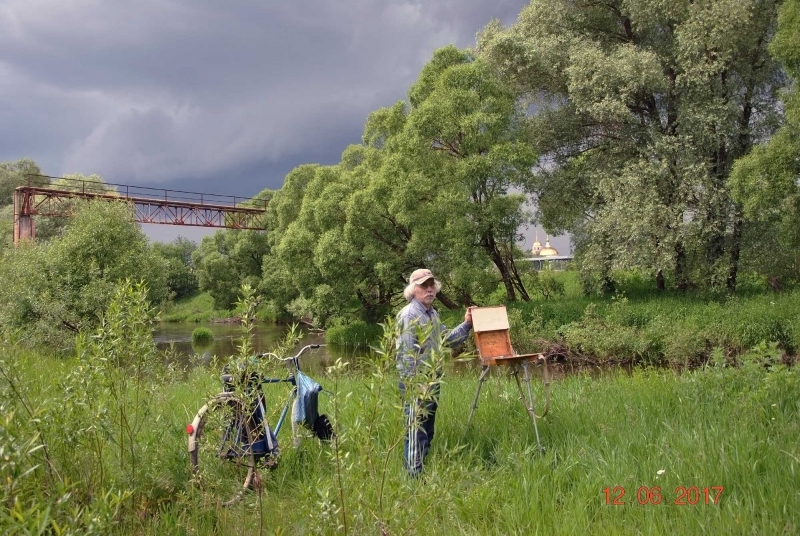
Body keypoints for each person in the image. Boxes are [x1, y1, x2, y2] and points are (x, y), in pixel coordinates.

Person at [396, 268, 472, 477]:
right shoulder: (409, 315)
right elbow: (406, 354)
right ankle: (413, 478)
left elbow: (447, 340)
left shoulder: (432, 314)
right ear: (413, 290)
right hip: (416, 382)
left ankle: (421, 471)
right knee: (415, 430)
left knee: (427, 430)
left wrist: (467, 325)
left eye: (431, 285)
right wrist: (416, 384)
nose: (429, 289)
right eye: (423, 286)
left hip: (431, 380)